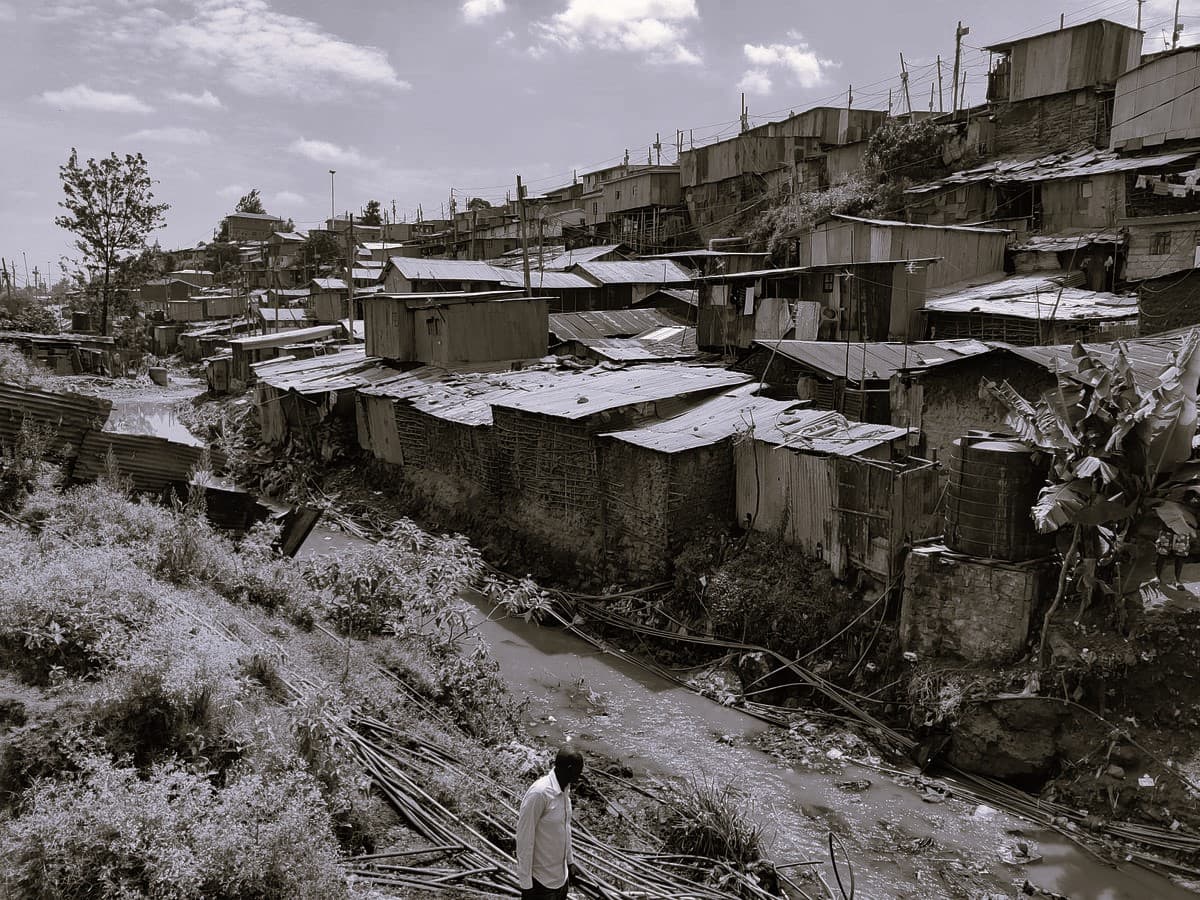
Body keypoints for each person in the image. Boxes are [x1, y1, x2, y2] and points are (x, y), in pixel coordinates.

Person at [516, 745, 584, 900]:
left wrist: (570, 861)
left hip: (561, 880)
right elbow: (524, 839)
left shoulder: (565, 790)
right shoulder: (539, 793)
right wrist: (526, 884)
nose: (580, 775)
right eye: (578, 771)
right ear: (568, 768)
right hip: (541, 883)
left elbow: (565, 829)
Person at [1153, 525, 1190, 589]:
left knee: (1180, 555)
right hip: (1166, 529)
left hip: (1182, 531)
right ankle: (1157, 577)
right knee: (1162, 554)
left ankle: (1177, 581)